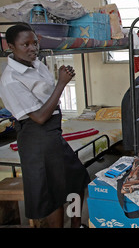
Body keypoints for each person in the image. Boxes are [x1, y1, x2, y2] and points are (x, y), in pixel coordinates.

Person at [0, 23, 90, 228]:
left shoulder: (37, 64)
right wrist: (61, 84)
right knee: (52, 196)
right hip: (36, 137)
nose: (33, 48)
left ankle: (76, 225)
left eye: (35, 42)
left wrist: (60, 79)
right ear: (10, 46)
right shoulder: (10, 80)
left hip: (52, 133)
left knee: (76, 180)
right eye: (25, 44)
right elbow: (39, 117)